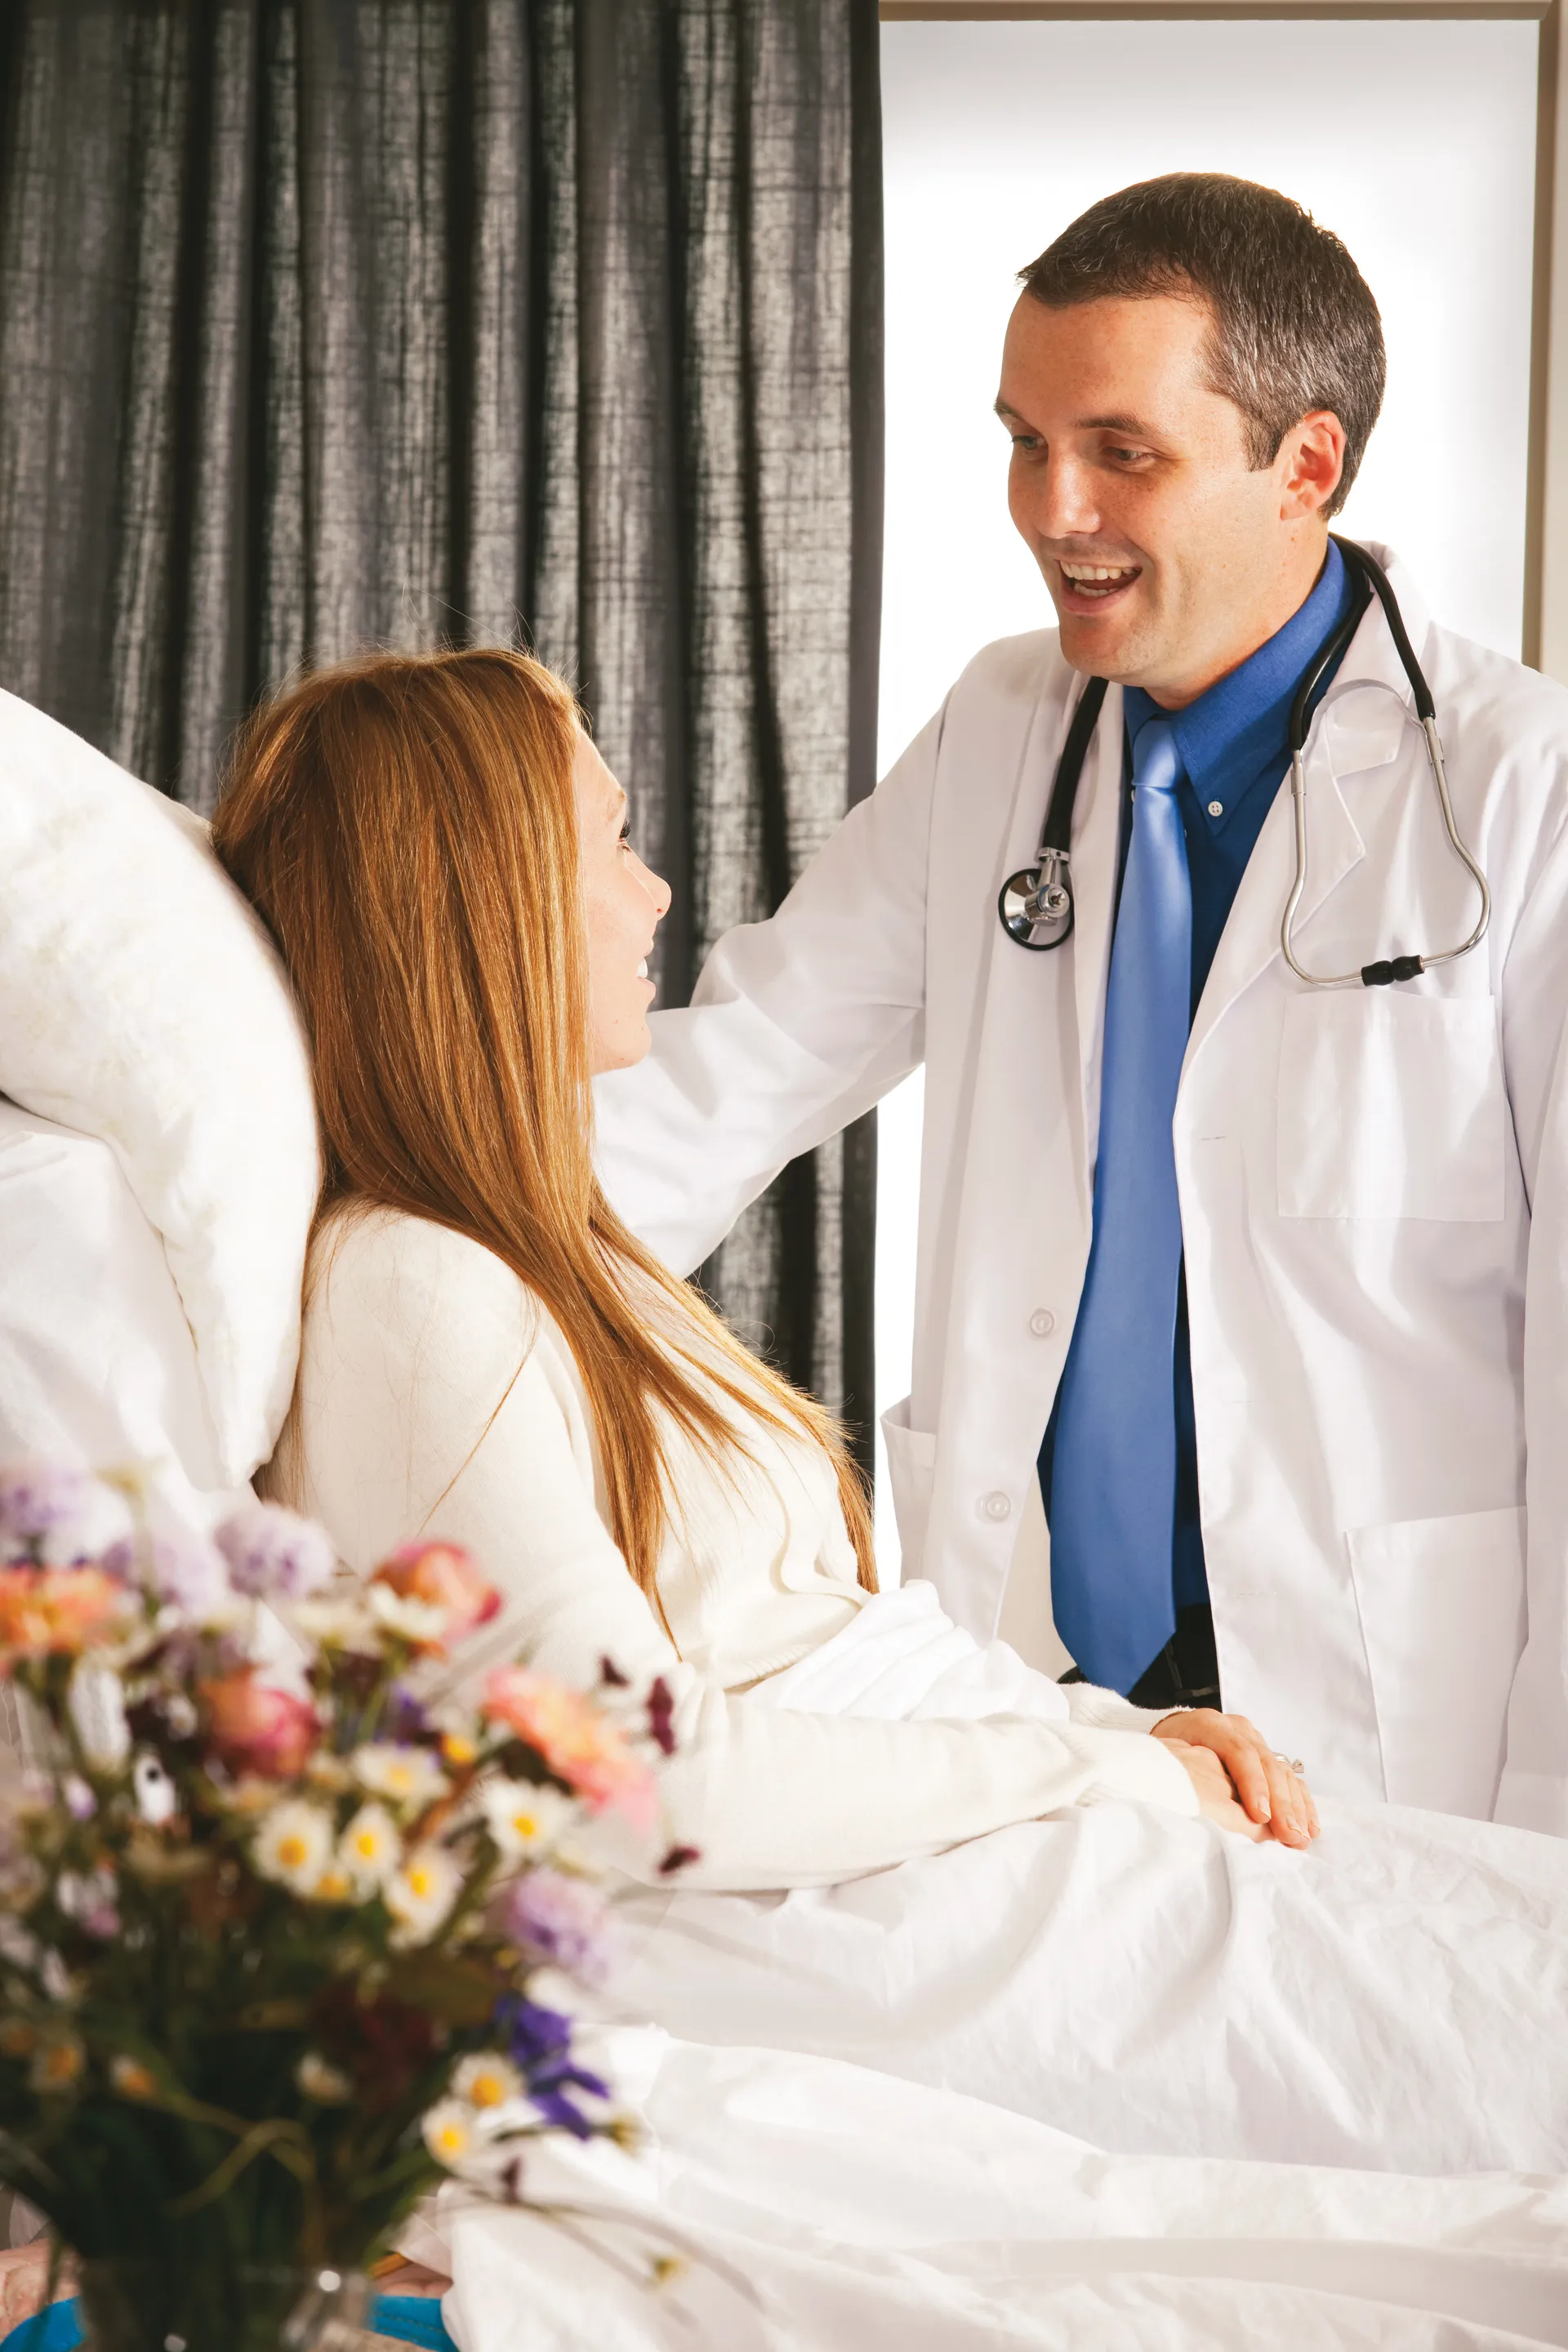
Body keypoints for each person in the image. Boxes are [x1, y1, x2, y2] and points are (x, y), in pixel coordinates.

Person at [207, 643, 1568, 2181]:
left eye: (1118, 453)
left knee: (1497, 1965)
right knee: (1486, 2049)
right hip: (934, 1865)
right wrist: (1107, 1762)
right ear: (489, 905)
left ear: (1302, 462)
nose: (659, 897)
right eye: (617, 841)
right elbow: (645, 1780)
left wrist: (1115, 1739)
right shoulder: (419, 1287)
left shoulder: (545, 1263)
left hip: (1030, 1781)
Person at [591, 173, 1568, 1838]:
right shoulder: (1004, 728)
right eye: (1025, 441)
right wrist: (414, 1218)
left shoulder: (1518, 788)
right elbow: (740, 1067)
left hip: (1395, 1703)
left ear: (1305, 465)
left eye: (1123, 450)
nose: (1055, 508)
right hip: (1043, 1688)